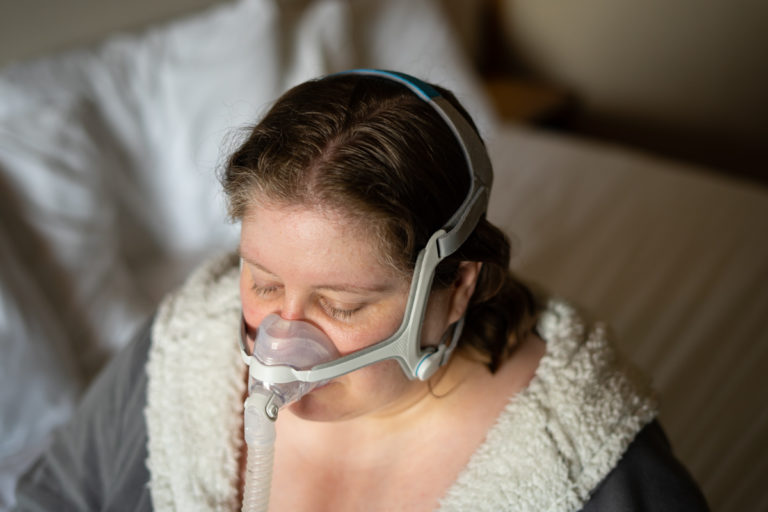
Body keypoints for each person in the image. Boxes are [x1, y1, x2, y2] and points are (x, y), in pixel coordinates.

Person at [12, 71, 709, 511]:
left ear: (457, 287)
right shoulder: (178, 355)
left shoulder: (584, 459)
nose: (283, 333)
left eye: (341, 304)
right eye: (262, 280)